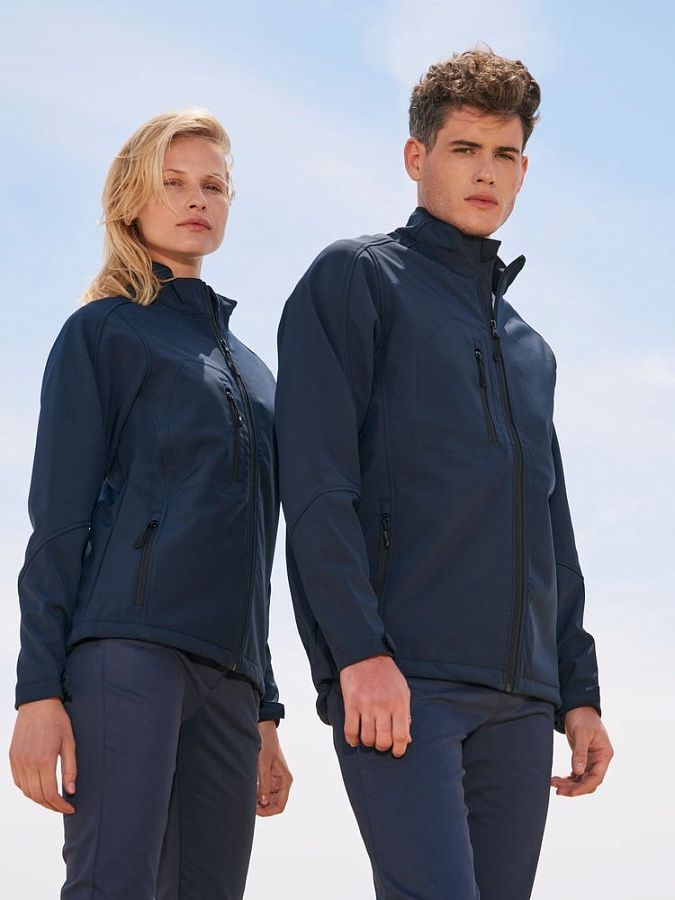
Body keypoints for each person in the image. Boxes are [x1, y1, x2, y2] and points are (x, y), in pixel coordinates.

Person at [275, 48, 613, 899]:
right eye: (464, 149)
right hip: (404, 679)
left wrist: (576, 692)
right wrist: (356, 652)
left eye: (504, 154)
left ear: (524, 169)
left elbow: (551, 534)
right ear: (415, 156)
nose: (485, 172)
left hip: (521, 699)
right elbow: (315, 486)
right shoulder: (357, 279)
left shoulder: (529, 348)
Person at [9, 109, 292, 900]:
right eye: (173, 183)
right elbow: (57, 523)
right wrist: (37, 692)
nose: (196, 199)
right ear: (131, 199)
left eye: (213, 185)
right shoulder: (103, 333)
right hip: (128, 655)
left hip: (230, 678)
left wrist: (265, 711)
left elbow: (255, 549)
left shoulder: (256, 373)